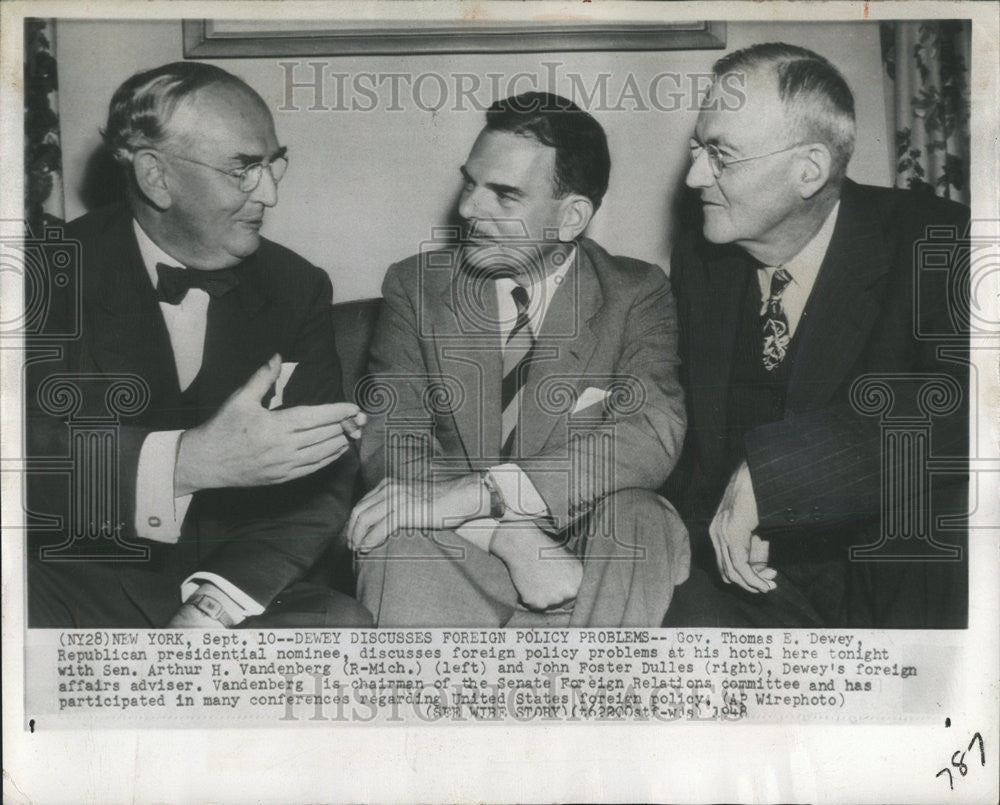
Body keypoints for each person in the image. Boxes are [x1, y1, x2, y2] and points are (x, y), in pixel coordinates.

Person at [27, 62, 371, 628]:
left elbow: (323, 481)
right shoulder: (38, 275)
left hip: (220, 588)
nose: (271, 192)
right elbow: (20, 459)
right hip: (62, 588)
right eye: (243, 169)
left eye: (272, 164)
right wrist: (186, 463)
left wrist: (211, 607)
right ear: (155, 176)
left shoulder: (297, 286)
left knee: (342, 628)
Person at [349, 92, 689, 627]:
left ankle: (598, 698)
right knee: (391, 537)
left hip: (591, 562)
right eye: (470, 182)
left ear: (571, 216)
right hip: (464, 552)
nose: (468, 210)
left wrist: (487, 493)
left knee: (642, 519)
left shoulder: (635, 292)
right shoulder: (416, 288)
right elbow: (393, 444)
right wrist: (505, 532)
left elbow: (652, 432)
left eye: (504, 195)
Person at [664, 43, 969, 628]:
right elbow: (691, 444)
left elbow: (970, 408)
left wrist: (777, 474)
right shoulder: (703, 257)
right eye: (698, 148)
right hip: (748, 579)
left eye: (721, 156)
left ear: (809, 169)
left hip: (893, 577)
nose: (695, 176)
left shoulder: (940, 241)